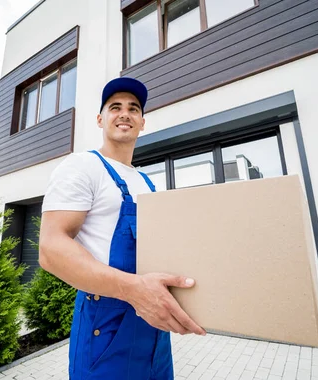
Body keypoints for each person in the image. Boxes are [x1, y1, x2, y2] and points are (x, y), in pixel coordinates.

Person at [39, 77, 206, 379]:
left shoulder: (147, 182)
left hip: (154, 331)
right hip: (107, 327)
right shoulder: (82, 166)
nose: (125, 113)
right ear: (101, 119)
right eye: (115, 107)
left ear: (143, 123)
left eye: (133, 108)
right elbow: (51, 249)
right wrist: (135, 291)